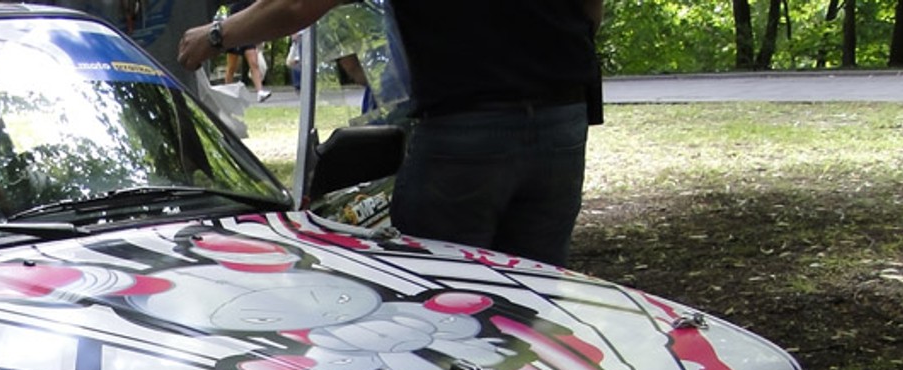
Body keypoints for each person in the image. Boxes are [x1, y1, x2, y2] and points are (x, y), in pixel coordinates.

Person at [179, 0, 604, 267]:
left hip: (467, 126)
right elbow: (591, 10)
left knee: (445, 294)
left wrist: (216, 35)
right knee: (534, 293)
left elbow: (297, 6)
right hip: (563, 120)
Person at [221, 1, 272, 102]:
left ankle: (260, 92)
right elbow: (231, 19)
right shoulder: (235, 5)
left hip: (248, 35)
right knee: (232, 67)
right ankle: (227, 93)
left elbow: (257, 18)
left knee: (254, 64)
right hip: (235, 34)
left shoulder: (252, 3)